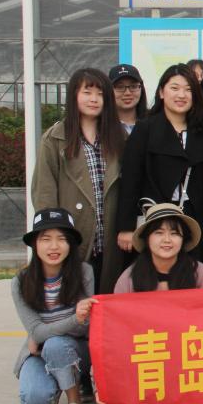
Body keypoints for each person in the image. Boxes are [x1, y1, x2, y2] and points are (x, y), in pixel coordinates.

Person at [32, 68, 123, 294]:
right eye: (87, 92)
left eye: (100, 94)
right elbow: (44, 194)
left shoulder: (119, 137)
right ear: (74, 95)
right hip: (75, 238)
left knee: (107, 300)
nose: (94, 99)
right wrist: (54, 240)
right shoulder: (55, 139)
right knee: (76, 302)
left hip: (112, 240)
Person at [116, 63, 203, 280]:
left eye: (188, 90)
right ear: (161, 92)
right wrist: (126, 227)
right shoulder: (146, 129)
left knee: (191, 277)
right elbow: (130, 180)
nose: (181, 95)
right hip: (155, 217)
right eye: (174, 88)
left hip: (194, 219)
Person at [12, 208, 95, 404]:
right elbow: (36, 331)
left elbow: (86, 326)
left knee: (56, 344)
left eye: (61, 239)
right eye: (46, 239)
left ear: (70, 244)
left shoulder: (84, 272)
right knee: (35, 397)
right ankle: (56, 388)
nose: (54, 246)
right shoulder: (21, 281)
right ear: (35, 244)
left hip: (76, 350)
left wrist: (43, 336)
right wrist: (73, 319)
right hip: (38, 353)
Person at [113, 203, 203, 292]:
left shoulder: (200, 274)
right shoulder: (129, 277)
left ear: (183, 239)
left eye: (174, 233)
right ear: (147, 238)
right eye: (159, 233)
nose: (167, 240)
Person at [109, 64, 147, 135]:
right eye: (120, 87)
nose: (127, 93)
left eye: (133, 86)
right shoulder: (101, 126)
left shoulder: (154, 122)